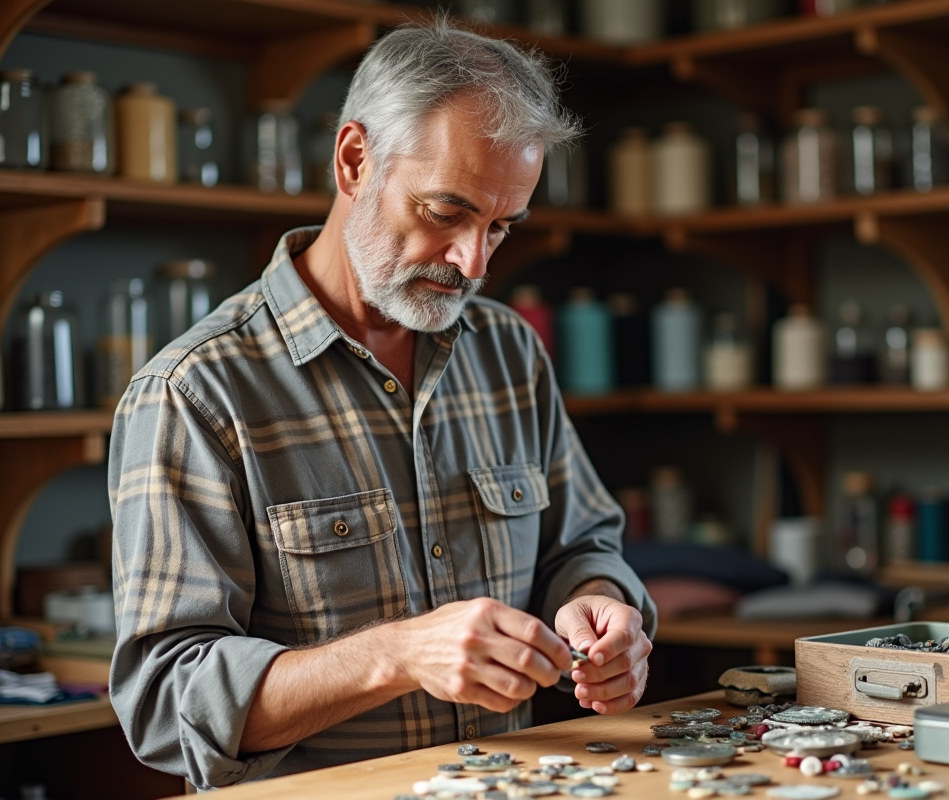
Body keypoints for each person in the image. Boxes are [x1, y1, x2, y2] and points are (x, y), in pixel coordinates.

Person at [107, 19, 656, 790]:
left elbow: (583, 546)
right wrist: (396, 655)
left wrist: (602, 608)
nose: (473, 261)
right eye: (445, 213)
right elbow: (165, 705)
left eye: (501, 227)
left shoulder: (507, 351)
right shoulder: (195, 393)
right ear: (356, 160)